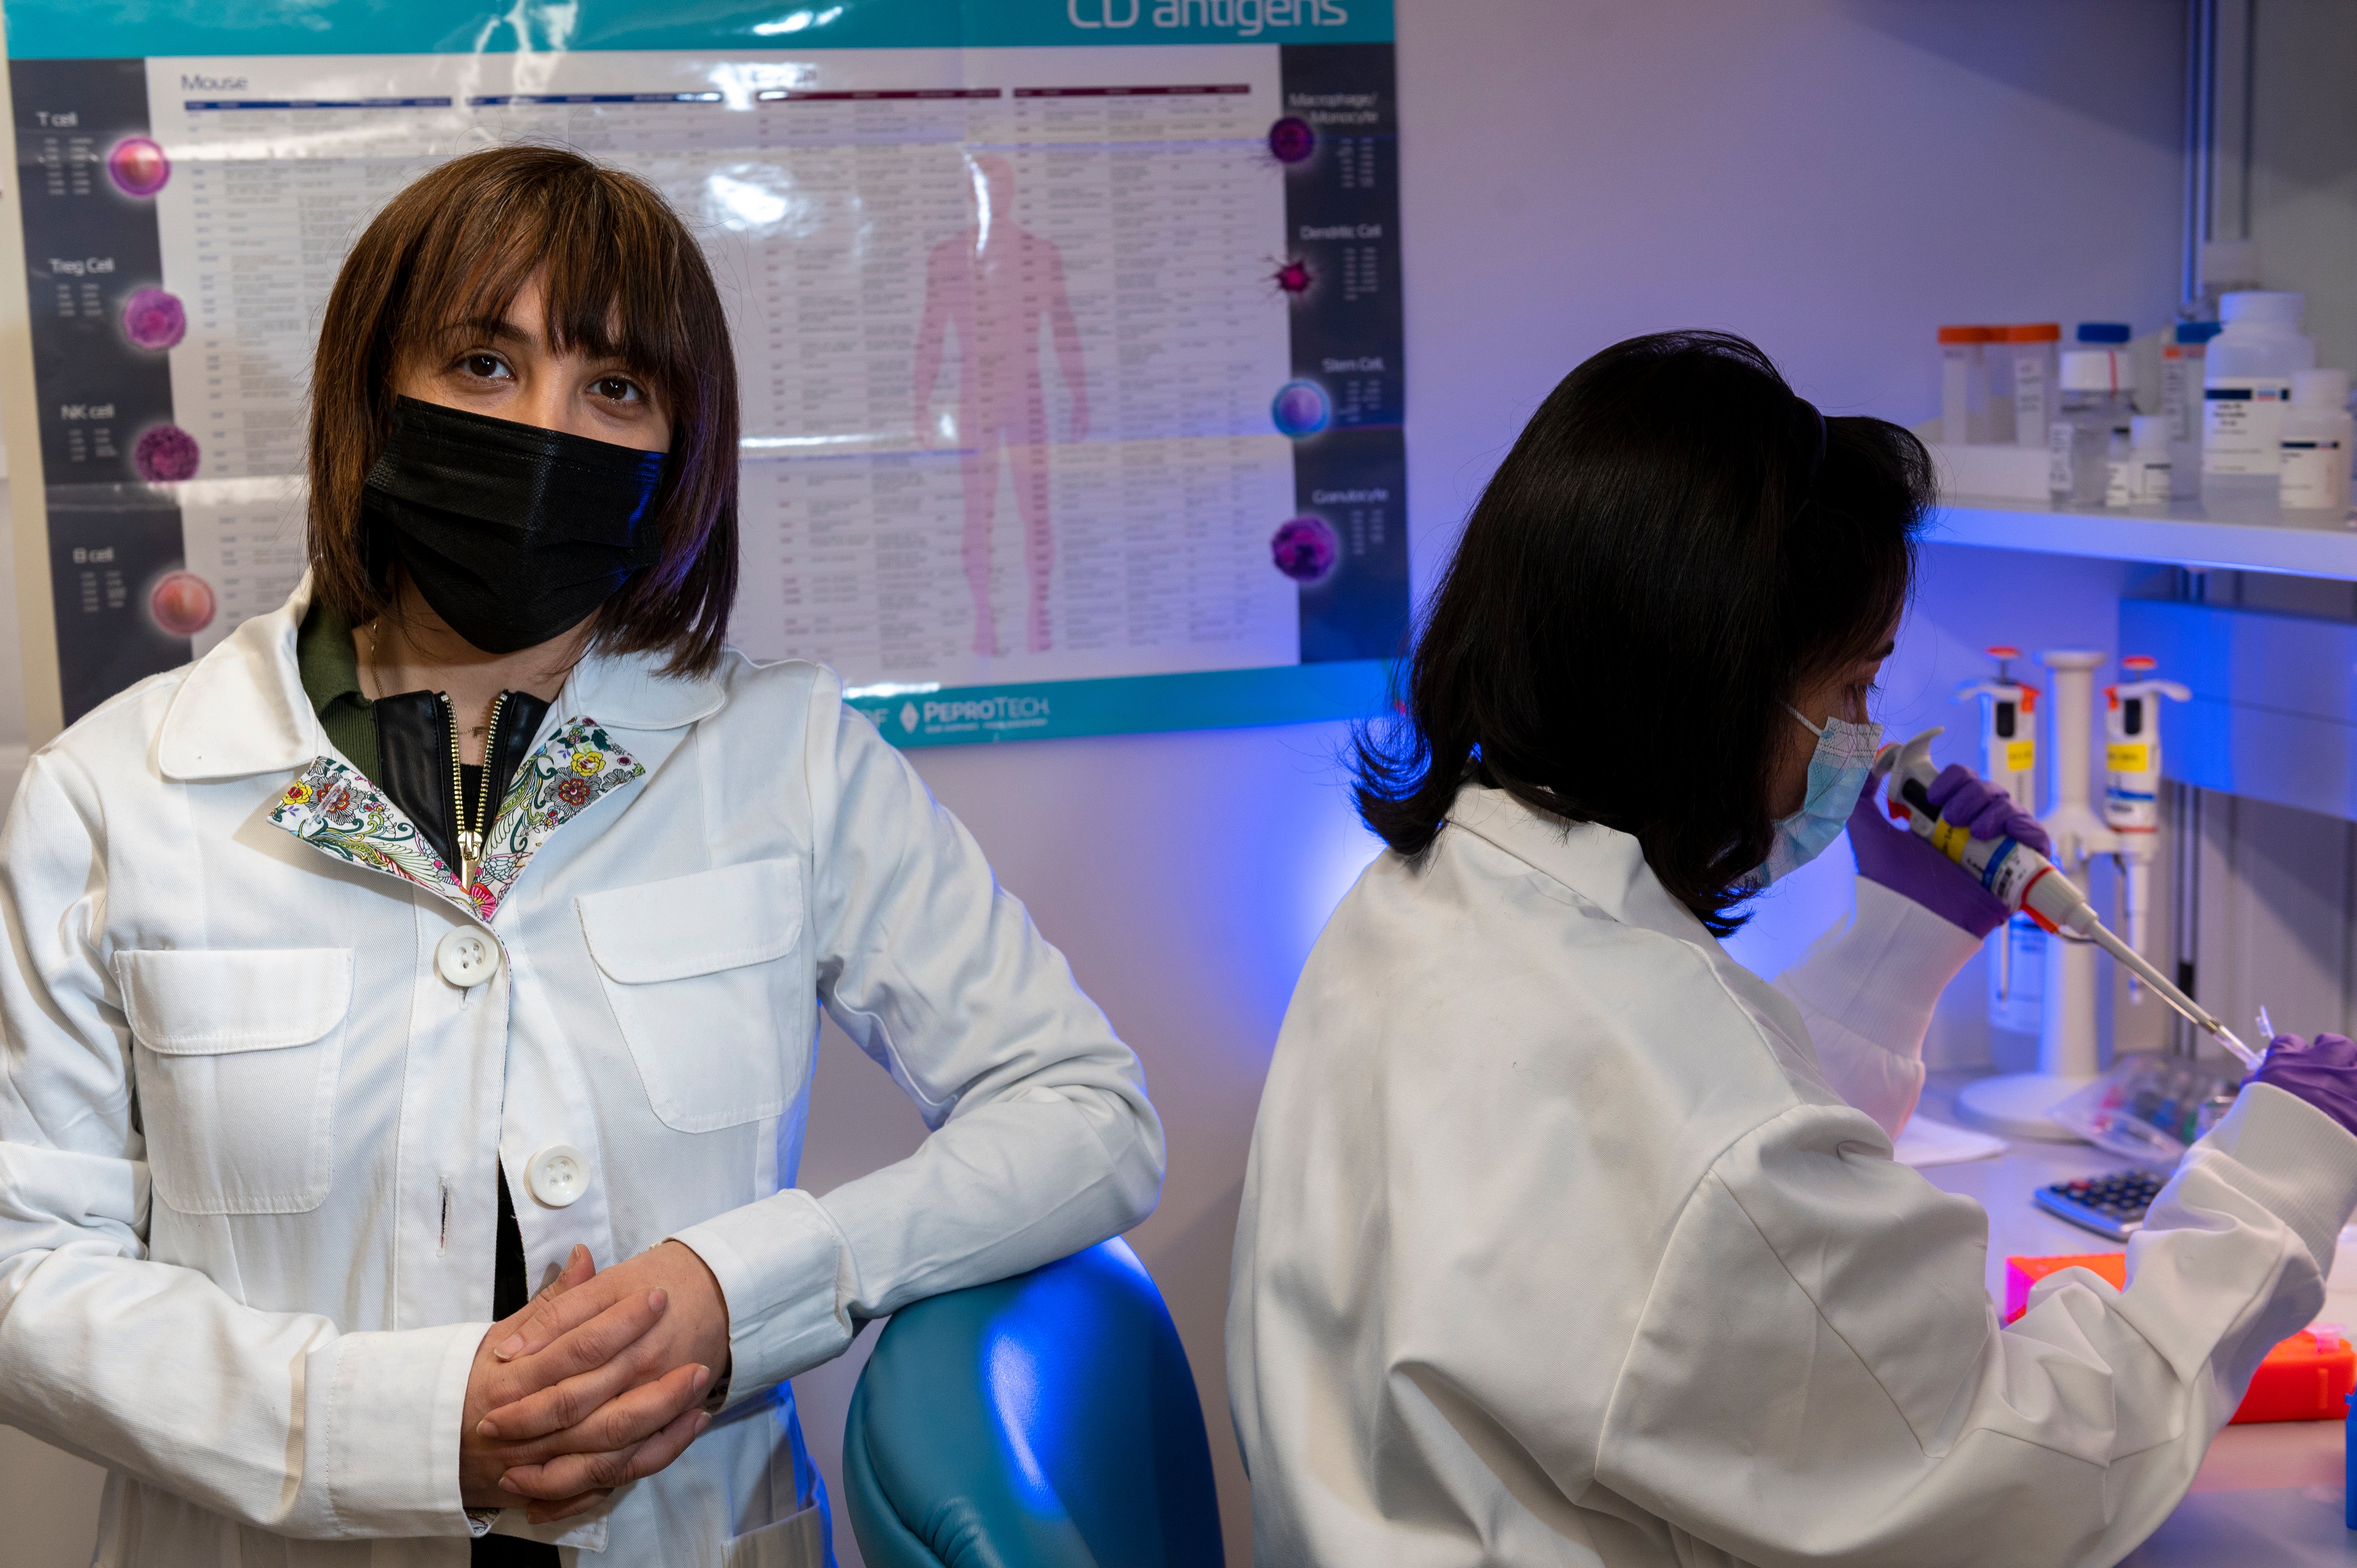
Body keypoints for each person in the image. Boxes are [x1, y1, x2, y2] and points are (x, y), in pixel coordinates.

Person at [0, 145, 1164, 1566]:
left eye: (614, 388)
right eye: (485, 366)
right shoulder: (114, 793)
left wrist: (747, 1289)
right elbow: (23, 1271)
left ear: (680, 445)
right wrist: (405, 1428)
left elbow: (1086, 1113)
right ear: (376, 397)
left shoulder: (784, 753)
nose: (547, 429)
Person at [1226, 331, 2357, 1567]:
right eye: (1854, 686)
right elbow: (2014, 1478)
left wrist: (1900, 942)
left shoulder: (1421, 902)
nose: (1865, 739)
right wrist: (2265, 1195)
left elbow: (1687, 1192)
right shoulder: (1695, 1125)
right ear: (1711, 688)